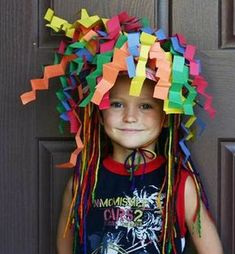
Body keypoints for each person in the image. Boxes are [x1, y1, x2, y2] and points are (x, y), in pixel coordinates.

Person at [20, 8, 224, 254]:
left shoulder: (179, 183)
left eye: (146, 106)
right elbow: (67, 236)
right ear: (100, 111)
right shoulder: (84, 181)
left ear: (165, 117)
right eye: (117, 104)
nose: (130, 117)